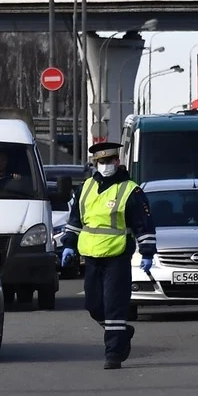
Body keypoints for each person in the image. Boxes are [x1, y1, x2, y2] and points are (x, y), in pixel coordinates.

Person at [60, 142, 157, 369]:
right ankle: (122, 332)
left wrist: (147, 252)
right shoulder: (85, 188)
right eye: (101, 162)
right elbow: (75, 220)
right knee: (93, 306)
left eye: (109, 161)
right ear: (95, 164)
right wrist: (68, 245)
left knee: (114, 306)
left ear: (117, 162)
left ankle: (113, 353)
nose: (105, 165)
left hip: (117, 255)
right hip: (91, 256)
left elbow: (143, 224)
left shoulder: (130, 190)